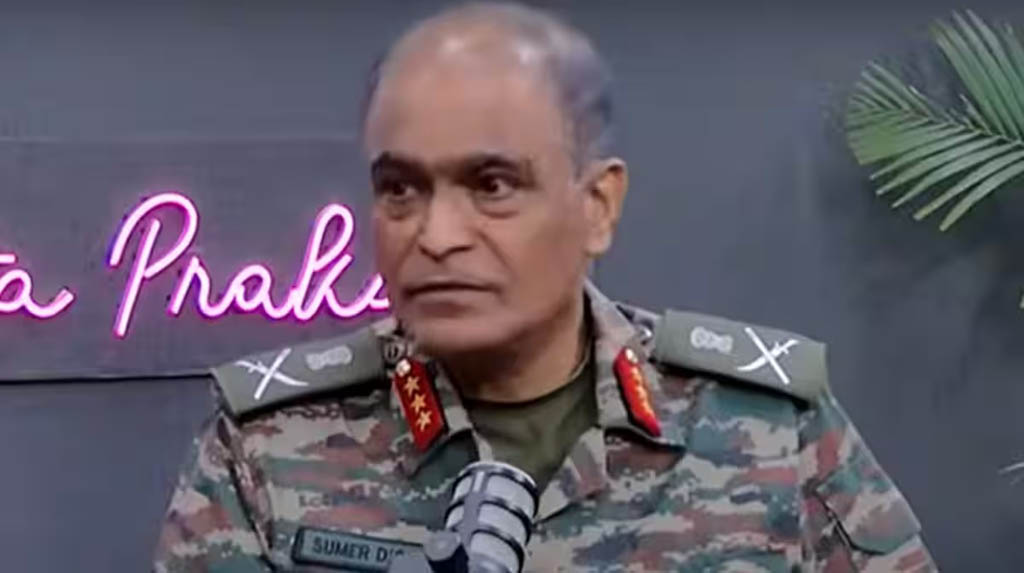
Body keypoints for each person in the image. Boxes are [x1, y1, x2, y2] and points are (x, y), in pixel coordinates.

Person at [153, 3, 936, 571]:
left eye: (491, 184)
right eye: (400, 189)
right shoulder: (267, 445)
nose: (436, 233)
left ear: (597, 206)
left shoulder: (767, 426)